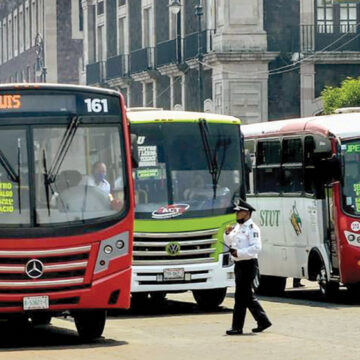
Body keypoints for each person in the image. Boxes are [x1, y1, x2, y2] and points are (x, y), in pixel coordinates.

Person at [225, 198, 272, 335]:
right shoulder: (238, 227)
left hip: (248, 265)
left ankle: (237, 327)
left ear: (246, 213)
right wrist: (227, 234)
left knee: (240, 297)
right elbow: (231, 241)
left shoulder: (252, 229)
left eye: (239, 212)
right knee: (246, 296)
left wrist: (239, 253)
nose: (236, 214)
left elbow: (257, 248)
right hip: (239, 265)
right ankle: (263, 321)